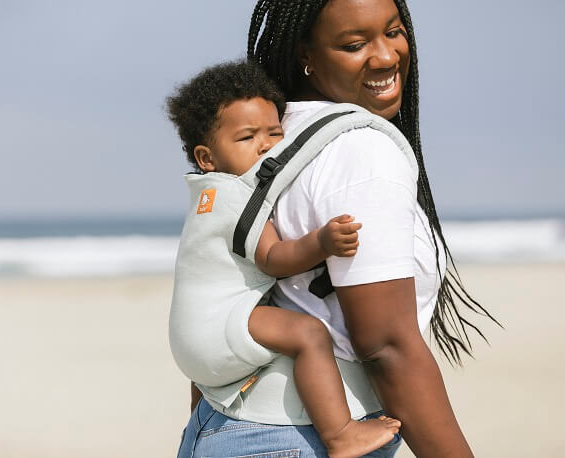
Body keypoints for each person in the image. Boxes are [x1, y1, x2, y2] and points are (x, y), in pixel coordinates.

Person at [177, 0, 500, 457]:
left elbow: (225, 281)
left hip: (226, 426)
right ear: (306, 53)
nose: (386, 56)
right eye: (354, 44)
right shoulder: (360, 150)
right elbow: (385, 345)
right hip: (293, 439)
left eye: (394, 31)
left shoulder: (264, 136)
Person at [167, 61, 402, 457]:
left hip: (192, 343)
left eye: (275, 133)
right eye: (246, 137)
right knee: (308, 334)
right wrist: (321, 241)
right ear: (206, 157)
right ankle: (340, 433)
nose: (265, 146)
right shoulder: (237, 197)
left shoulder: (204, 197)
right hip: (220, 327)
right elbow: (275, 257)